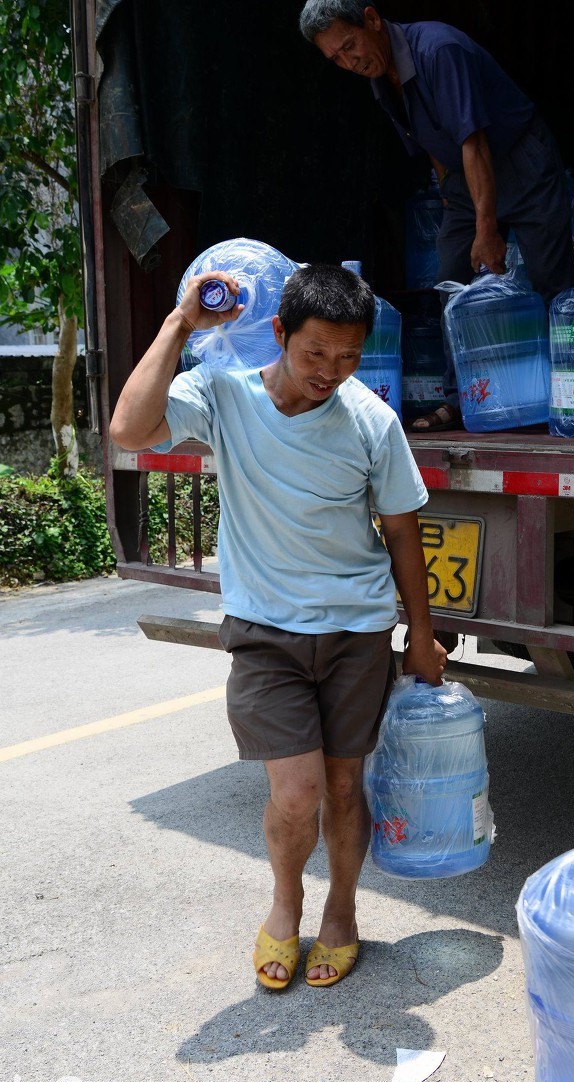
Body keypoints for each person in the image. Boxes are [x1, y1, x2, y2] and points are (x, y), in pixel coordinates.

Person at [109, 263, 448, 990]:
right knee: (295, 791)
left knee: (345, 786)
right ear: (279, 333)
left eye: (349, 355)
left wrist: (420, 633)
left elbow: (400, 530)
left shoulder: (370, 420)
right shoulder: (223, 394)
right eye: (315, 352)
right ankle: (286, 901)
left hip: (356, 629)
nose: (332, 370)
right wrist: (179, 324)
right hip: (265, 631)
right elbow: (129, 429)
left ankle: (343, 911)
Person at [299, 1, 574, 431]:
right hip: (464, 179)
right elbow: (431, 139)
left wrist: (486, 229)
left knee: (549, 279)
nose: (349, 62)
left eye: (350, 46)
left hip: (520, 162)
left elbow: (475, 142)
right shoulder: (380, 76)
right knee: (451, 279)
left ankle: (567, 400)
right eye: (336, 58)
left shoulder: (438, 51)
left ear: (372, 20)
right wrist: (452, 197)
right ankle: (463, 400)